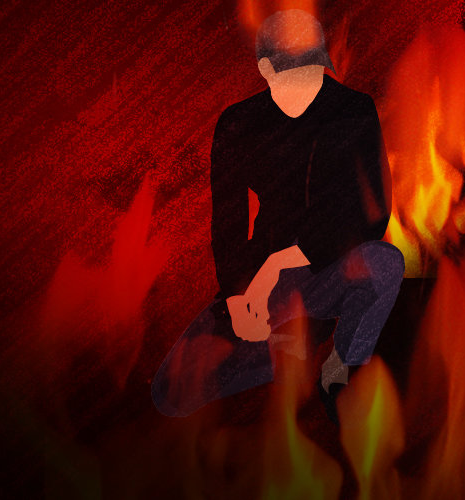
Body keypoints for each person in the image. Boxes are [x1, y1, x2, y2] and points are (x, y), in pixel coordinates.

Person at [152, 9, 404, 420]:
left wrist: (282, 261)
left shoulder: (352, 110)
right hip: (264, 285)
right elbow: (228, 219)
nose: (307, 86)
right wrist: (237, 298)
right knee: (171, 393)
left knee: (385, 262)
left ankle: (339, 370)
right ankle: (286, 353)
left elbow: (371, 214)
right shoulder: (239, 123)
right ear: (265, 70)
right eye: (294, 74)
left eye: (313, 72)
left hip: (332, 268)